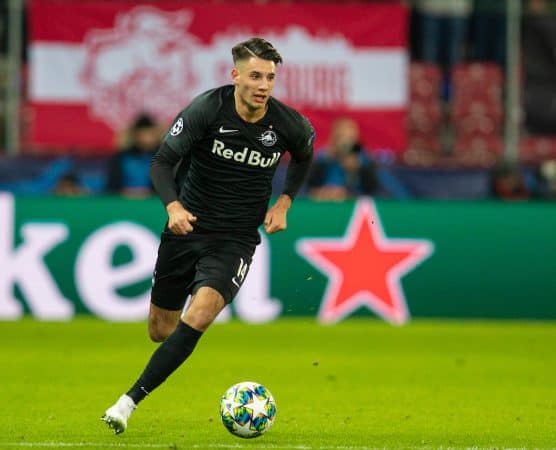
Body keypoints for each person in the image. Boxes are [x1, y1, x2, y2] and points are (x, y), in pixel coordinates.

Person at [101, 37, 314, 434]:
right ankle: (162, 358)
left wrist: (284, 201)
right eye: (255, 76)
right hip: (188, 228)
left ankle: (126, 403)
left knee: (199, 314)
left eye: (270, 77)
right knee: (160, 331)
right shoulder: (206, 110)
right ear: (235, 76)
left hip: (235, 239)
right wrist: (173, 206)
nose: (263, 85)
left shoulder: (288, 124)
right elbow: (163, 162)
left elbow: (304, 155)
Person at [307, 117, 377, 201]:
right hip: (325, 202)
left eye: (350, 138)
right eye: (341, 136)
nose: (345, 142)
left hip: (353, 203)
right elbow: (309, 186)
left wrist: (358, 167)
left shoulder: (364, 159)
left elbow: (373, 190)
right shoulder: (323, 157)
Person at [106, 113, 162, 196]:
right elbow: (112, 185)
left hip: (153, 202)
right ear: (136, 135)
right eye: (143, 134)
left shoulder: (163, 157)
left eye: (149, 134)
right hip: (122, 200)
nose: (146, 139)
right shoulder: (122, 157)